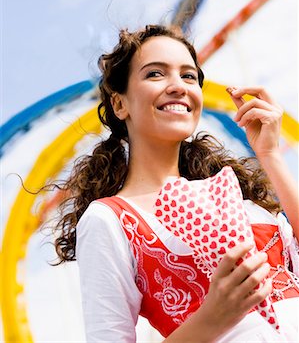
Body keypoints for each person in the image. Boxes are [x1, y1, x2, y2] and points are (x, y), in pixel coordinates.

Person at [54, 24, 299, 342]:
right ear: (119, 104)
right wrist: (212, 318)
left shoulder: (243, 202)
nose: (178, 86)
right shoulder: (108, 219)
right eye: (155, 74)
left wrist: (270, 155)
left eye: (189, 76)